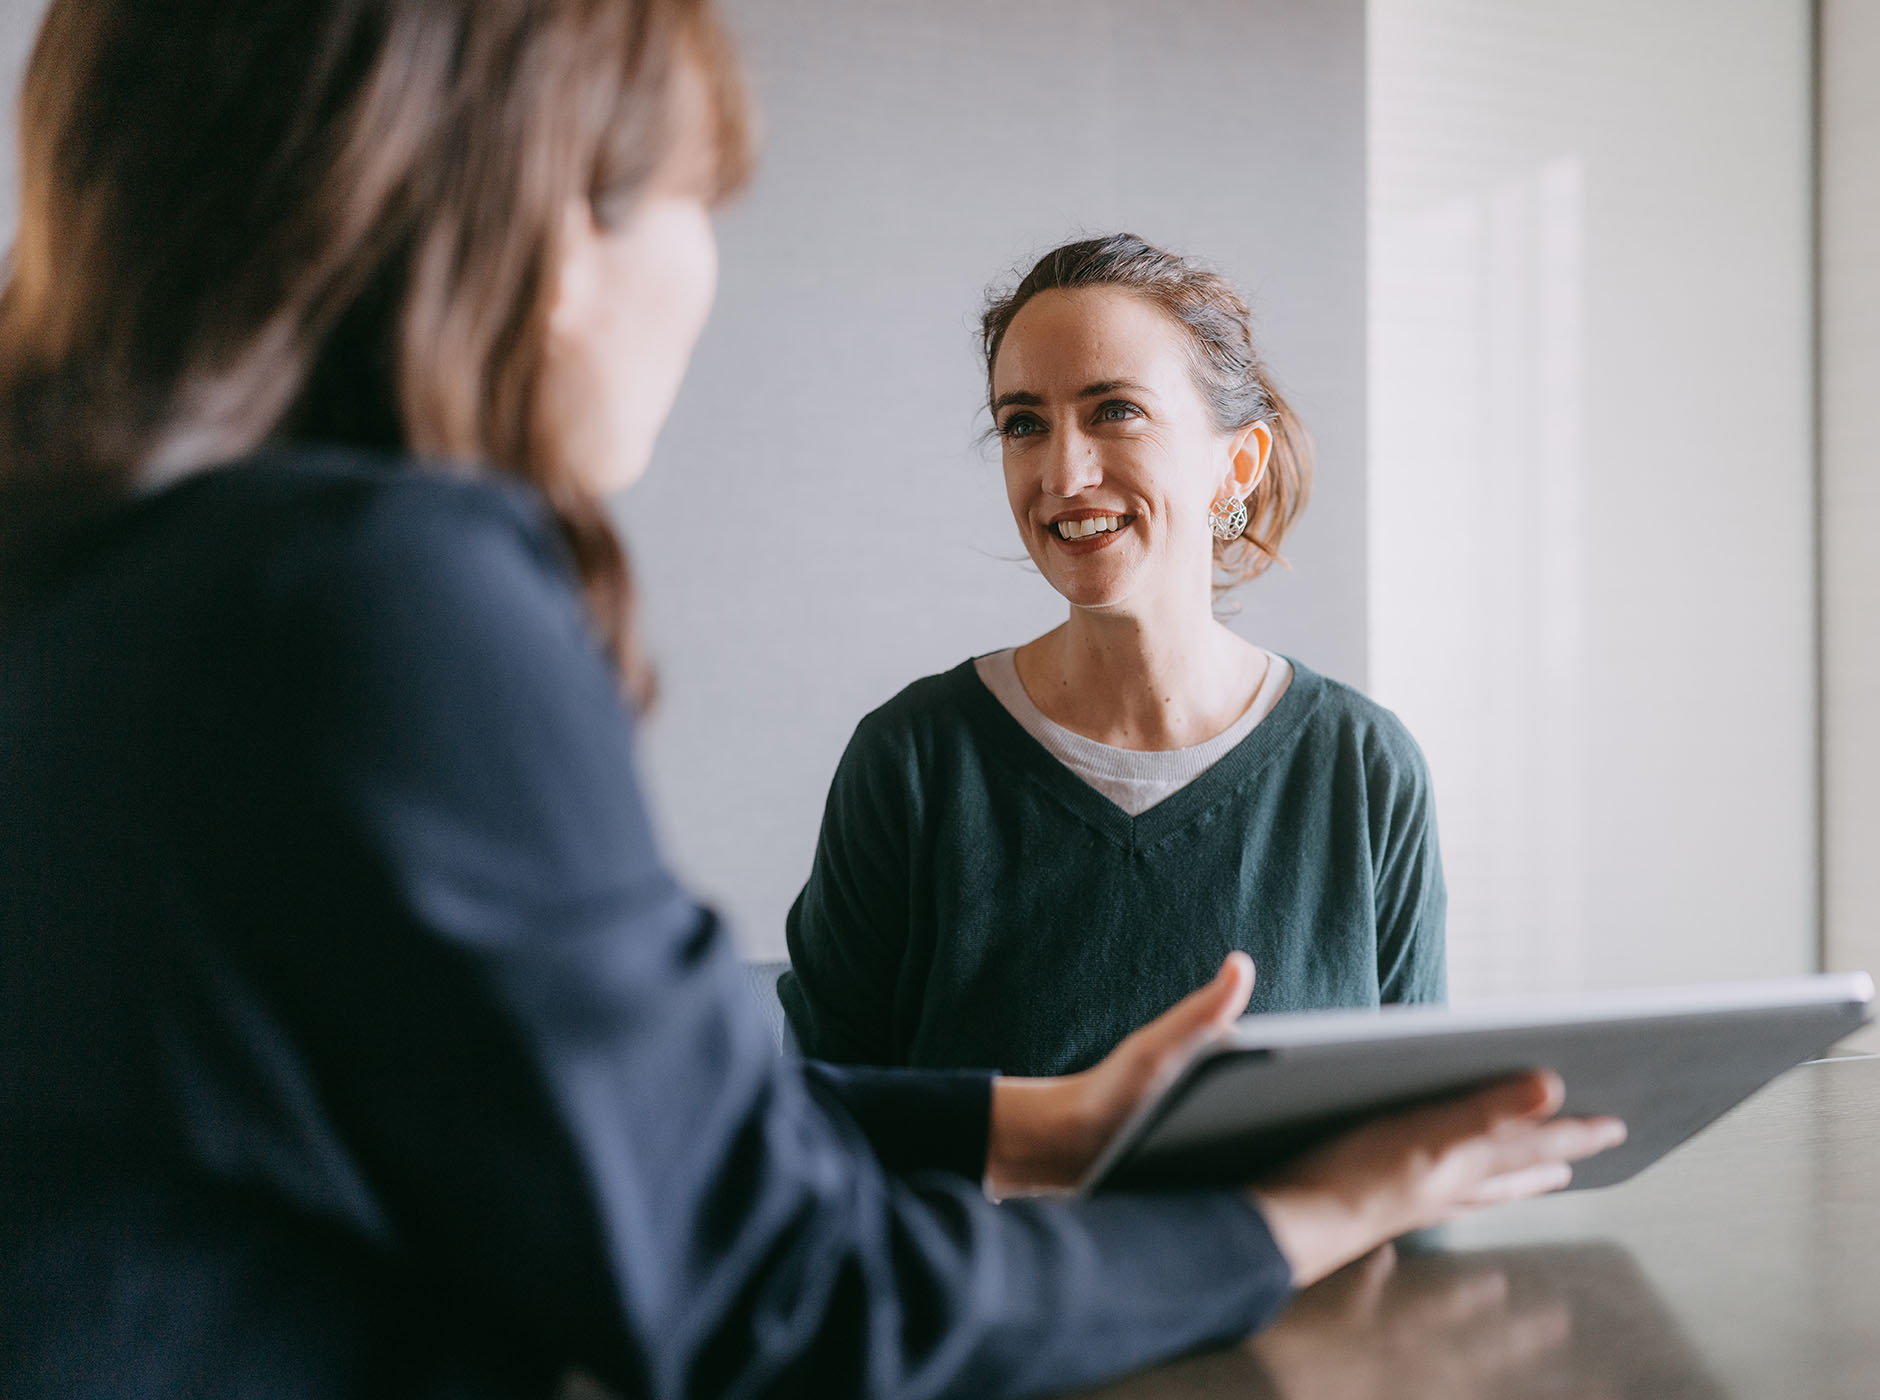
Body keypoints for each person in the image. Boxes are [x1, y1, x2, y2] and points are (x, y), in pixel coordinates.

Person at [0, 2, 1624, 1396]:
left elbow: (637, 1123)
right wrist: (1294, 1223)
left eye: (1114, 412)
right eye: (698, 202)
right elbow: (773, 1285)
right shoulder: (376, 594)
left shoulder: (123, 567)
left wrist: (1027, 1126)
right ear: (557, 231)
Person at [780, 235, 1446, 1078]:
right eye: (1024, 424)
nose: (1062, 473)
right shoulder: (911, 763)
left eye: (1114, 411)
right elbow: (814, 1133)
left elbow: (1413, 1141)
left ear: (1236, 464)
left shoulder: (1363, 767)